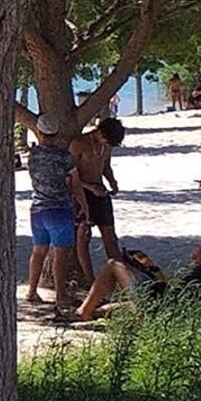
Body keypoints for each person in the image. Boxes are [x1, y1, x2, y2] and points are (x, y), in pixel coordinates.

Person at [22, 114, 79, 311]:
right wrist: (83, 205)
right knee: (60, 254)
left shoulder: (33, 155)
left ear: (39, 132)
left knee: (38, 251)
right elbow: (75, 182)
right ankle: (61, 295)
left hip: (38, 208)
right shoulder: (64, 156)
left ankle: (31, 290)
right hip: (59, 208)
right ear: (56, 133)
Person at [68, 117, 127, 284]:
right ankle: (90, 280)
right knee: (83, 237)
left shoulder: (106, 146)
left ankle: (120, 277)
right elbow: (71, 174)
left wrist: (112, 182)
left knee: (110, 235)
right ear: (100, 131)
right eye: (106, 140)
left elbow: (106, 166)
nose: (107, 144)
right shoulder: (79, 143)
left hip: (101, 193)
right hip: (82, 194)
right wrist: (89, 187)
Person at [74, 247, 169, 320]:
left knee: (112, 265)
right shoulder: (156, 274)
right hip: (158, 301)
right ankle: (88, 311)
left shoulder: (151, 274)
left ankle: (84, 310)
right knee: (105, 309)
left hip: (151, 299)